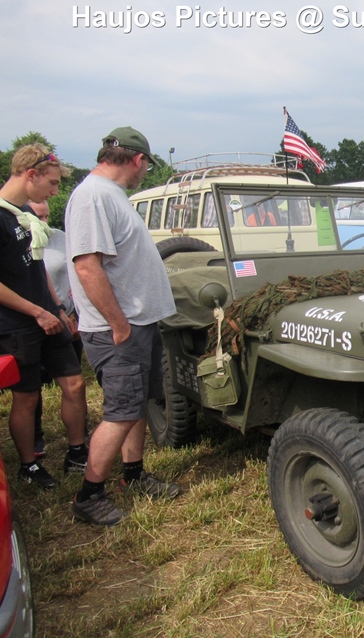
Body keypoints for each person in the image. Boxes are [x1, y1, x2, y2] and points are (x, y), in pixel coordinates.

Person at [65, 126, 180, 526]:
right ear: (137, 159)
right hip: (119, 328)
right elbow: (87, 266)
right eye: (146, 166)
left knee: (135, 405)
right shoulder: (93, 196)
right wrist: (118, 324)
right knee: (120, 412)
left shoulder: (110, 195)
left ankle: (134, 474)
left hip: (136, 322)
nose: (144, 173)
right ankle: (89, 495)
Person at [0, 144, 89, 488]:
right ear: (31, 175)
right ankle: (29, 465)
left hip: (49, 317)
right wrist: (36, 312)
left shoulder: (25, 214)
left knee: (76, 384)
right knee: (27, 397)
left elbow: (38, 269)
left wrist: (58, 308)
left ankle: (77, 451)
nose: (54, 192)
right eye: (51, 183)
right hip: (17, 325)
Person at [24, 199, 85, 456]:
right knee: (30, 390)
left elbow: (75, 273)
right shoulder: (18, 242)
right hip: (27, 322)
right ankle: (34, 442)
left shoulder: (60, 238)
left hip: (61, 317)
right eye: (38, 216)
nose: (44, 222)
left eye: (47, 216)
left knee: (74, 383)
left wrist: (70, 311)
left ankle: (78, 442)